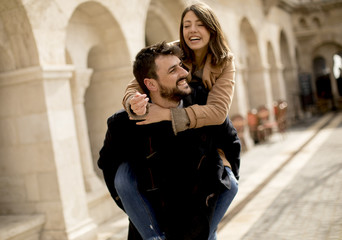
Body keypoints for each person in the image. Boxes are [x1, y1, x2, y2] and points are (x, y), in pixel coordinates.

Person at [98, 42, 240, 240]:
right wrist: (138, 212)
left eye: (181, 65)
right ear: (151, 84)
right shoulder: (123, 124)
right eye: (173, 70)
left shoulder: (204, 107)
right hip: (152, 227)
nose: (184, 72)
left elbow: (231, 144)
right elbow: (109, 166)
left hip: (200, 223)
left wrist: (214, 208)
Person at [123, 2, 235, 135]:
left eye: (200, 24)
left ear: (212, 29)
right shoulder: (170, 51)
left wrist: (166, 114)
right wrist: (133, 102)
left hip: (206, 132)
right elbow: (135, 86)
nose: (192, 29)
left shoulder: (225, 61)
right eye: (186, 26)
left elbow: (218, 112)